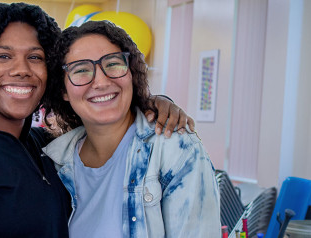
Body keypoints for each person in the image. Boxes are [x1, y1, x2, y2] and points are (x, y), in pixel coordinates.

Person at [0, 3, 194, 237]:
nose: (21, 70)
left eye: (35, 57)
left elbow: (104, 124)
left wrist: (152, 104)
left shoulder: (44, 146)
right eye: (3, 56)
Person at [42, 20, 221, 238]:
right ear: (63, 90)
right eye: (81, 70)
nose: (100, 81)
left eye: (113, 63)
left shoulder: (176, 148)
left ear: (131, 73)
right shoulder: (54, 160)